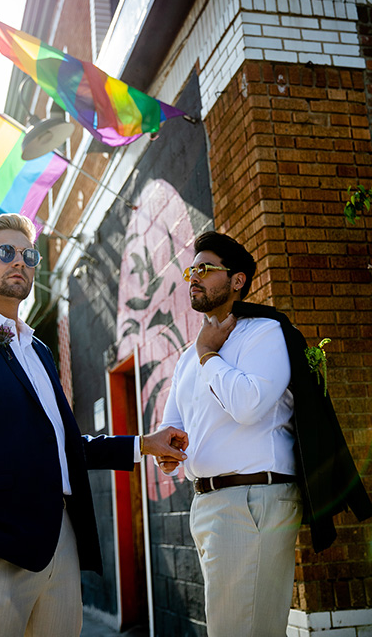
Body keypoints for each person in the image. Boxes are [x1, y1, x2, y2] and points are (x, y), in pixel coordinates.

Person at [0, 213, 188, 637]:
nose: (20, 261)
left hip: (61, 544)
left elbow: (64, 443)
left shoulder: (38, 350)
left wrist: (144, 444)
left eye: (28, 254)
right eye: (5, 252)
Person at [158, 231, 372, 637]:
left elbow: (249, 404)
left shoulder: (263, 334)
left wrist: (209, 355)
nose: (194, 277)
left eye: (205, 268)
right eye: (192, 269)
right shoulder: (190, 355)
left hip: (253, 501)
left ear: (237, 281)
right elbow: (177, 426)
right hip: (206, 505)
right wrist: (169, 450)